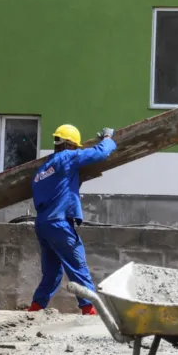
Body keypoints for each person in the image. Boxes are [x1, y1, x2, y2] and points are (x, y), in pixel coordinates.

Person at [28, 124, 117, 314]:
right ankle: (89, 309)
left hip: (43, 224)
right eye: (76, 147)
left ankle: (35, 308)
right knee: (78, 266)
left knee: (52, 273)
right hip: (59, 223)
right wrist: (108, 138)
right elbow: (100, 153)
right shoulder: (67, 158)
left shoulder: (42, 170)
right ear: (70, 145)